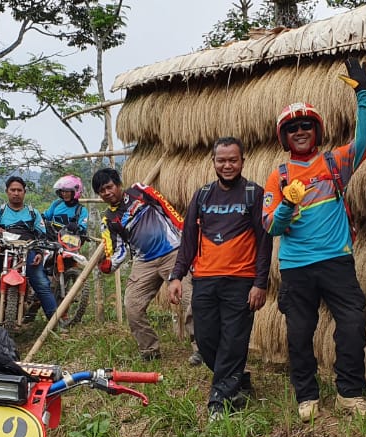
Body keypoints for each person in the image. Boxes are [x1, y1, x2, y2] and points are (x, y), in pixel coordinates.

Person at [263, 58, 366, 422]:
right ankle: (307, 395)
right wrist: (287, 207)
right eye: (293, 128)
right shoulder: (278, 175)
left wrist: (363, 94)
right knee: (299, 333)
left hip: (336, 260)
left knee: (352, 325)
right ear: (284, 136)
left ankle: (349, 393)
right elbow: (270, 226)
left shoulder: (335, 163)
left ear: (316, 130)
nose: (300, 131)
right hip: (296, 267)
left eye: (306, 126)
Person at [169, 137, 271, 419]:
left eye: (233, 160)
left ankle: (219, 400)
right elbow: (188, 239)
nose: (227, 165)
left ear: (242, 161)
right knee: (205, 338)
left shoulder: (254, 193)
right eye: (221, 160)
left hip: (240, 281)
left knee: (234, 339)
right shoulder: (202, 195)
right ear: (213, 162)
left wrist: (260, 282)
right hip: (204, 279)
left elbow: (264, 242)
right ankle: (237, 379)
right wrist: (176, 276)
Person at [95, 168, 194, 361]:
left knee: (191, 300)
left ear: (118, 184)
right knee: (132, 305)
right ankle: (150, 351)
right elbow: (119, 251)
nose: (107, 193)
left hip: (172, 253)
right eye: (102, 191)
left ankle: (201, 349)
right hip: (143, 262)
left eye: (109, 187)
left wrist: (187, 238)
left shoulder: (140, 191)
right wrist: (106, 266)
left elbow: (169, 211)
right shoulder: (109, 220)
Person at [0, 177, 57, 319]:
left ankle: (54, 319)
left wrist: (39, 252)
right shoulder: (0, 212)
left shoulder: (33, 213)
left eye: (19, 190)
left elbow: (41, 234)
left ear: (24, 192)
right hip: (3, 250)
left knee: (40, 281)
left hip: (27, 250)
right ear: (7, 192)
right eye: (13, 190)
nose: (16, 193)